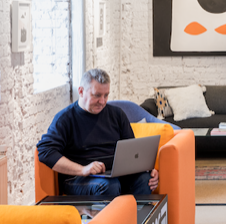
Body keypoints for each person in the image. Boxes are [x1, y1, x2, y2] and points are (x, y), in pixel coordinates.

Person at [37, 68, 159, 196]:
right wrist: (83, 170)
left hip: (113, 175)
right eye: (97, 95)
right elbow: (45, 152)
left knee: (145, 180)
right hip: (79, 178)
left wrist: (147, 170)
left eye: (106, 95)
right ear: (81, 91)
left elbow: (132, 151)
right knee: (109, 185)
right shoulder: (65, 119)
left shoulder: (117, 114)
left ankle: (136, 210)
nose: (102, 101)